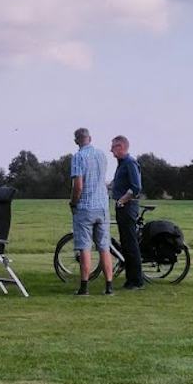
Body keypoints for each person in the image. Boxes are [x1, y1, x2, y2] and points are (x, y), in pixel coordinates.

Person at [69, 127, 113, 296]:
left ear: (76, 141)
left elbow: (78, 186)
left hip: (85, 207)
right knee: (104, 246)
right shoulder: (102, 155)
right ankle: (109, 286)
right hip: (102, 206)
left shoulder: (78, 157)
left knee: (85, 247)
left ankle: (84, 287)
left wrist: (73, 202)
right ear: (90, 138)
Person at [111, 135, 145, 290]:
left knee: (130, 244)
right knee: (126, 243)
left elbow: (136, 187)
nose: (111, 150)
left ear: (121, 147)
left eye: (113, 146)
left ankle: (136, 280)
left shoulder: (130, 163)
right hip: (122, 207)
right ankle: (130, 279)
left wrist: (122, 201)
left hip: (127, 207)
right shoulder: (122, 164)